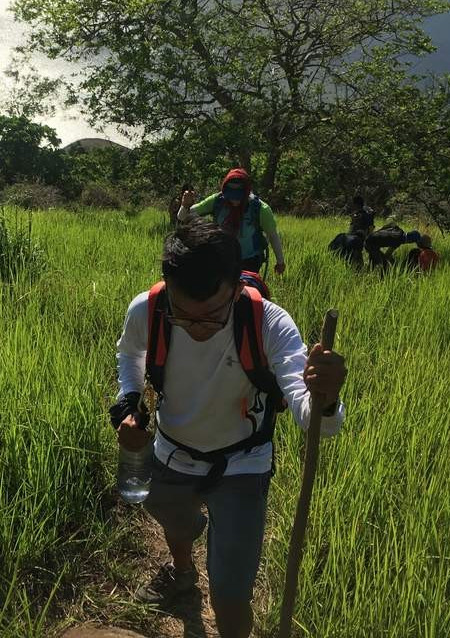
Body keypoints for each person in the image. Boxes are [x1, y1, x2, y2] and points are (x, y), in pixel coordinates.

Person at [113, 217, 346, 638]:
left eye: (212, 317)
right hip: (171, 451)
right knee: (172, 518)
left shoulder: (269, 323)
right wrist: (129, 403)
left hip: (242, 463)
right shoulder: (148, 310)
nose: (198, 329)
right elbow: (130, 355)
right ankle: (182, 571)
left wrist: (324, 400)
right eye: (183, 316)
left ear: (237, 289)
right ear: (167, 288)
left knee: (231, 592)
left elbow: (313, 419)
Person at [176, 168, 285, 275]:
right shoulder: (217, 201)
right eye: (231, 194)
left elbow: (272, 235)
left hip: (249, 261)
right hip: (221, 257)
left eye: (238, 195)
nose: (234, 200)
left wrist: (280, 262)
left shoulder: (260, 209)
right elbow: (182, 217)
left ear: (246, 191)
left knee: (243, 291)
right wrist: (185, 205)